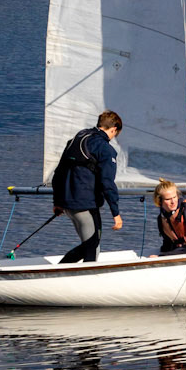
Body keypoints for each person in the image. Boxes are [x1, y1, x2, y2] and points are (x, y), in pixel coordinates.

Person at [52, 111, 124, 264]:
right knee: (92, 246)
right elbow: (107, 183)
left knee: (89, 244)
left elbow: (58, 173)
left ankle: (62, 271)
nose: (113, 138)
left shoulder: (76, 138)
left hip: (68, 205)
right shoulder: (105, 149)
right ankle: (64, 272)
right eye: (115, 134)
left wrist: (57, 202)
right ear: (113, 129)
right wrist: (115, 213)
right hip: (85, 206)